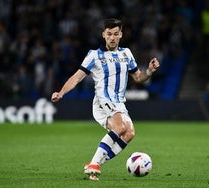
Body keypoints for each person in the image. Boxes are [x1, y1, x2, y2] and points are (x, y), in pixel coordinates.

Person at [51, 18, 160, 181]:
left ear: (120, 35)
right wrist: (61, 92)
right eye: (109, 34)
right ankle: (94, 165)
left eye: (116, 34)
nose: (112, 37)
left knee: (129, 133)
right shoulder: (94, 55)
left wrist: (150, 71)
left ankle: (95, 164)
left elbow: (138, 77)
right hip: (103, 101)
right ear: (103, 34)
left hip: (119, 102)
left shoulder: (126, 53)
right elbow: (77, 77)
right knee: (120, 126)